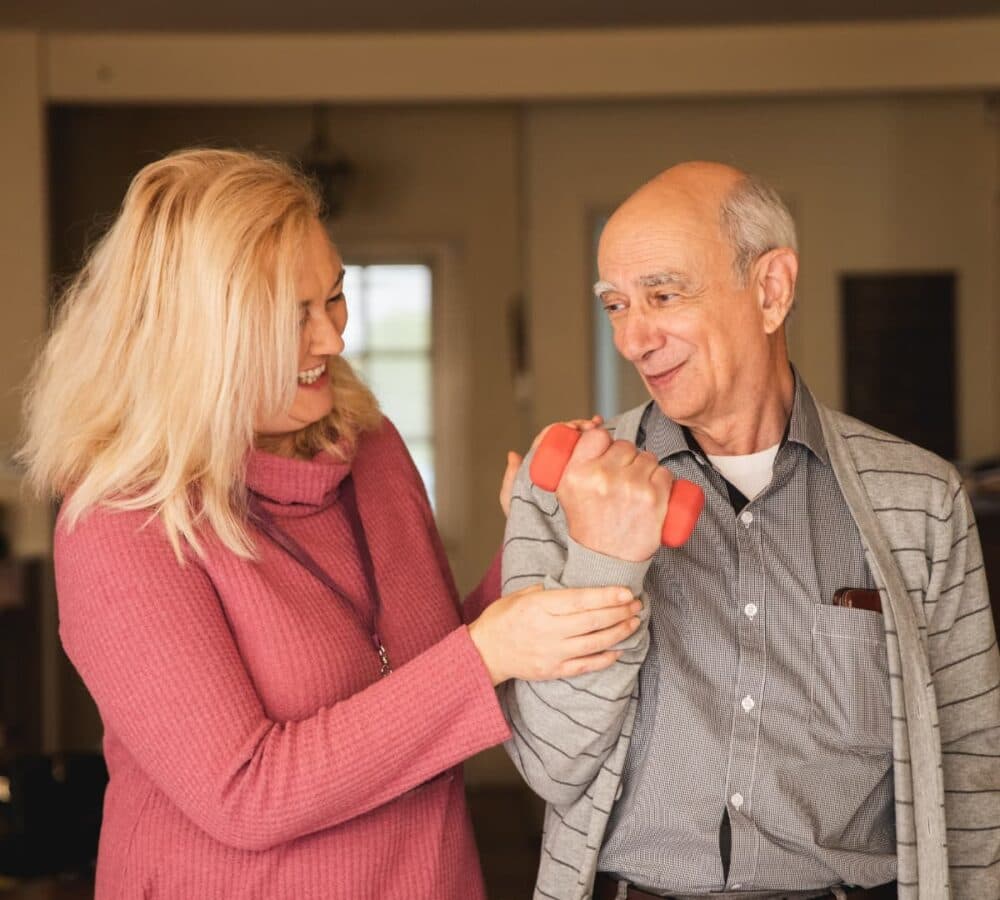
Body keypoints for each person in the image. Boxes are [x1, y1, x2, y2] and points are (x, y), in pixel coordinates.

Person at [17, 147, 645, 899]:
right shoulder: (123, 522)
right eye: (293, 317)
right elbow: (245, 793)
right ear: (197, 340)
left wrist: (541, 538)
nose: (332, 340)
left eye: (335, 298)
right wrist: (488, 651)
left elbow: (423, 670)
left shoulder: (371, 447)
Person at [500, 161, 999, 900]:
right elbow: (551, 762)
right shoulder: (559, 495)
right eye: (615, 304)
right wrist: (604, 558)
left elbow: (970, 764)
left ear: (771, 290)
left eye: (663, 295)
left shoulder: (921, 501)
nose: (633, 338)